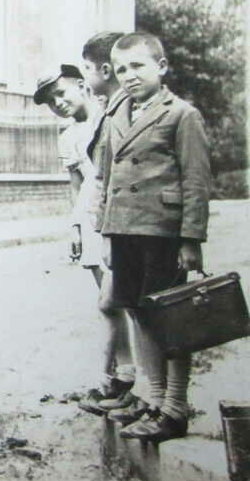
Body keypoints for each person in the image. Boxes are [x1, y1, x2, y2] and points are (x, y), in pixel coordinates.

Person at [95, 32, 212, 443]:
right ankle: (152, 399)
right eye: (122, 68)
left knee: (171, 317)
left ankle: (175, 408)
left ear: (161, 68)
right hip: (125, 230)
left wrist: (190, 239)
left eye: (138, 66)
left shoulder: (182, 114)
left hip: (162, 232)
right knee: (139, 312)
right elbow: (108, 179)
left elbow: (196, 182)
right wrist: (105, 232)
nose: (129, 76)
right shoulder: (115, 115)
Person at [33, 63, 137, 417]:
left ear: (81, 84)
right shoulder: (68, 136)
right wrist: (76, 227)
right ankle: (124, 372)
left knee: (120, 298)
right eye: (50, 101)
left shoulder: (108, 119)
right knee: (107, 298)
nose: (58, 103)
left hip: (118, 214)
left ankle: (124, 378)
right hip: (91, 218)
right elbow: (77, 186)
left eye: (61, 93)